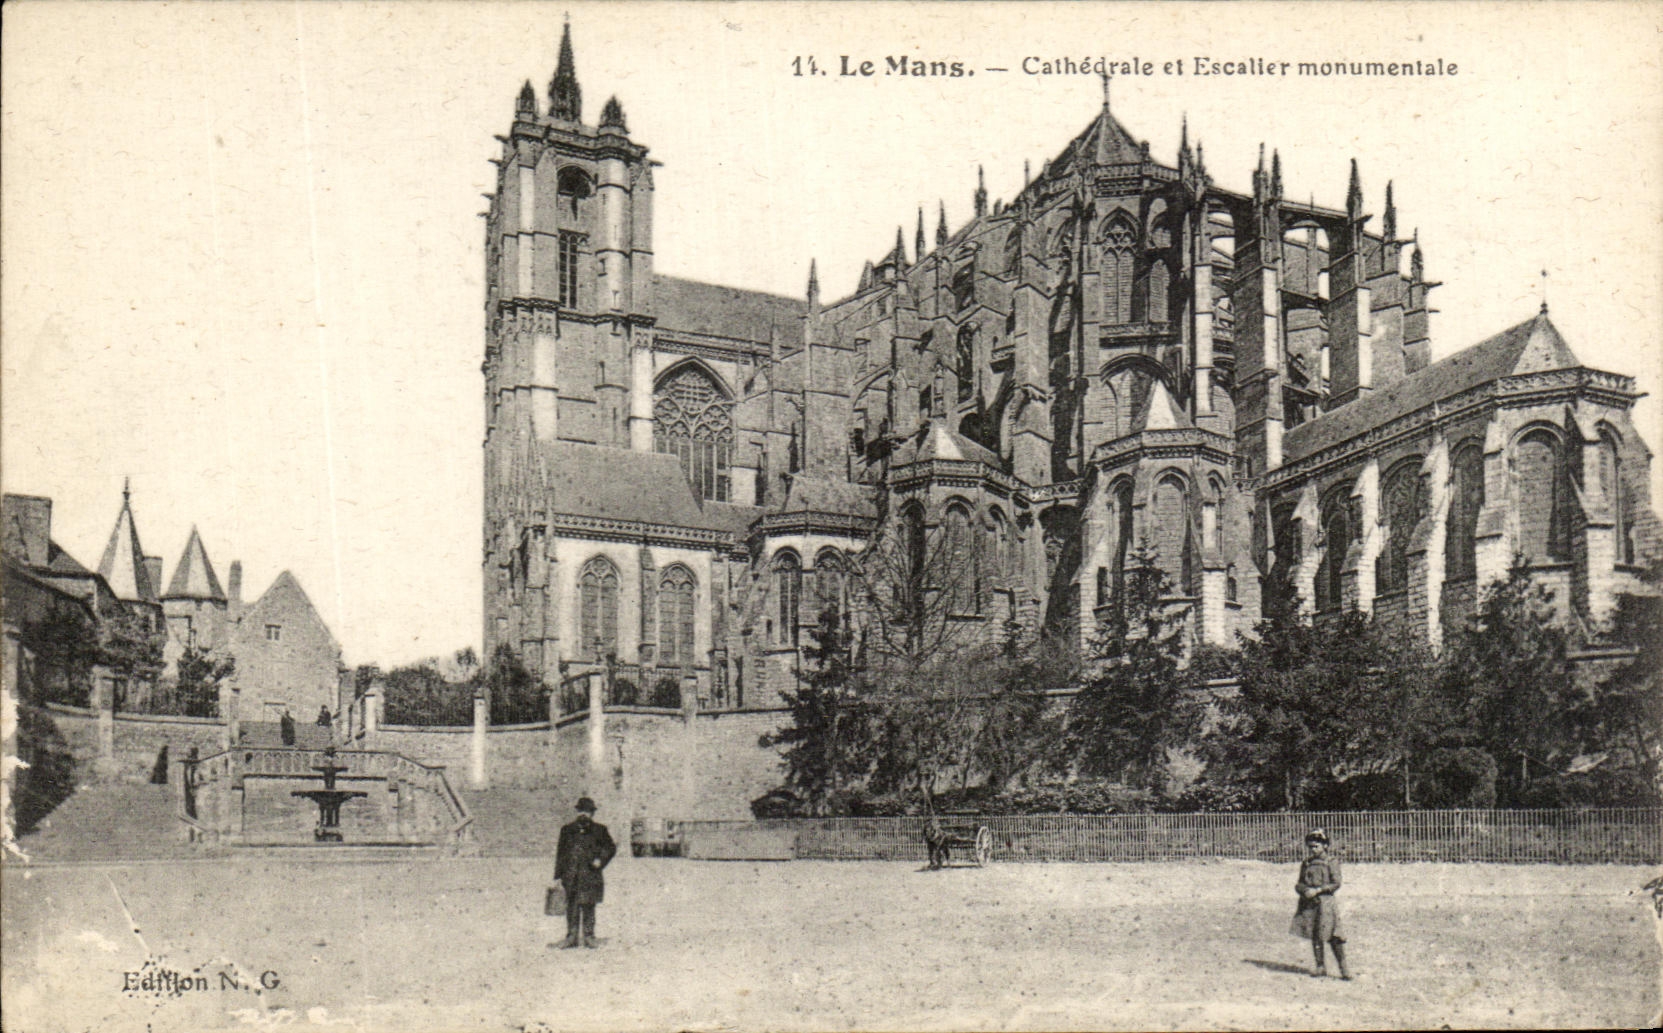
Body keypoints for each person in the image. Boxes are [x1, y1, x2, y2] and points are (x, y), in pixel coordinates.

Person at [554, 796, 616, 948]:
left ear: (592, 814)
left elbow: (610, 848)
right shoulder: (567, 830)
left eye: (587, 812)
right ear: (577, 812)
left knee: (589, 905)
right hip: (571, 875)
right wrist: (557, 876)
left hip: (590, 875)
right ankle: (571, 937)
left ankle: (589, 937)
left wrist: (600, 860)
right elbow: (560, 854)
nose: (584, 814)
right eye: (581, 811)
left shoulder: (600, 830)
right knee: (572, 906)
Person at [1291, 828, 1350, 979]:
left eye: (1316, 846)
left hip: (1326, 903)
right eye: (1310, 846)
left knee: (1334, 935)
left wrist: (1318, 890)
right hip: (1310, 903)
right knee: (1315, 934)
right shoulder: (1307, 863)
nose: (1313, 849)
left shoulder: (1331, 862)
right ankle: (1320, 966)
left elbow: (1336, 883)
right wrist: (1305, 891)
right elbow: (1299, 883)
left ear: (1325, 846)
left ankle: (1344, 969)